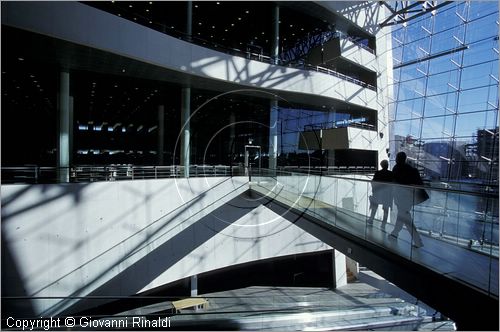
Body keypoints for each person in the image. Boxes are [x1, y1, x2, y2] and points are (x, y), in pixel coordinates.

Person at [389, 151, 424, 248]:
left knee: (406, 219)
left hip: (400, 198)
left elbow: (394, 183)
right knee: (402, 216)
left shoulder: (396, 169)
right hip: (407, 199)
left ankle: (417, 241)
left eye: (396, 157)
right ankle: (395, 234)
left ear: (398, 159)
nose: (395, 159)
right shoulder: (410, 169)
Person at [367, 159, 393, 230]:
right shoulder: (391, 173)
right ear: (387, 165)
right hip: (387, 195)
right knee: (386, 209)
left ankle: (371, 220)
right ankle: (383, 224)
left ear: (381, 165)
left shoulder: (378, 173)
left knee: (374, 207)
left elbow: (373, 182)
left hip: (378, 193)